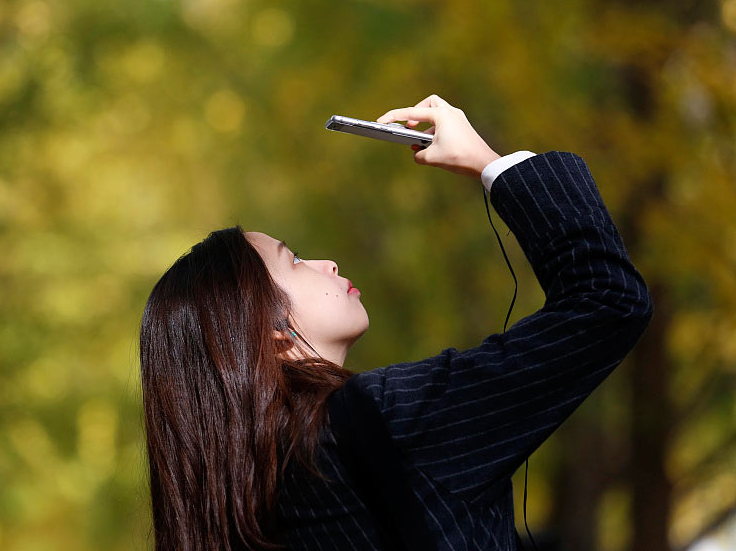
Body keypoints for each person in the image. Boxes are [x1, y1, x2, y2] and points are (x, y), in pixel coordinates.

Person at [138, 93, 654, 550]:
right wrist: (490, 164)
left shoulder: (242, 500)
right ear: (270, 335)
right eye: (293, 261)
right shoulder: (383, 422)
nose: (327, 264)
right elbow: (607, 298)